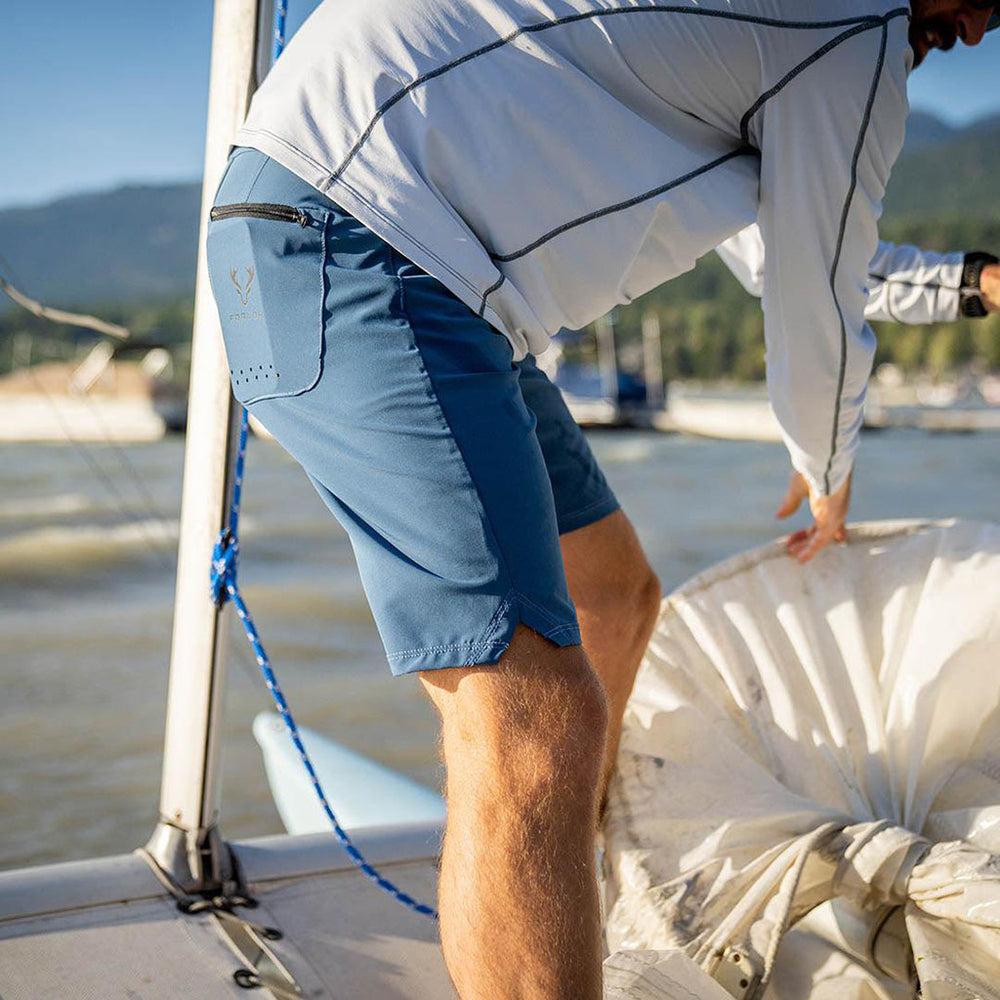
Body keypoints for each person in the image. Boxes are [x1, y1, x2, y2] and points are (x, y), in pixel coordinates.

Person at [205, 1, 998, 995]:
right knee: (531, 720)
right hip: (364, 249)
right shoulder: (857, 28)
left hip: (430, 275)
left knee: (613, 598)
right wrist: (825, 466)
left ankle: (566, 871)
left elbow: (791, 248)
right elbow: (816, 292)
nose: (976, 30)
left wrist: (977, 283)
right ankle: (526, 840)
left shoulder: (778, 33)